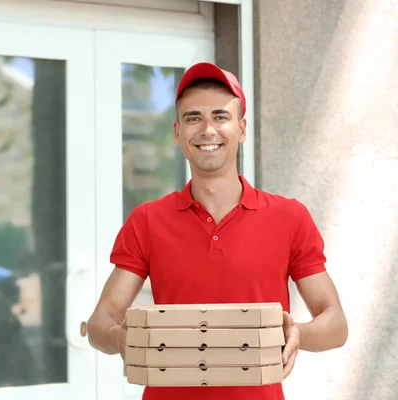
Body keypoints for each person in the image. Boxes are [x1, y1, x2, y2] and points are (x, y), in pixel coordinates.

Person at [87, 62, 348, 400]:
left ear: (241, 129)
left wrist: (297, 333)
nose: (207, 129)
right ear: (178, 132)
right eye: (193, 118)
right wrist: (120, 337)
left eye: (220, 117)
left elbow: (336, 323)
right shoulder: (148, 220)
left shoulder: (289, 217)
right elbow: (99, 322)